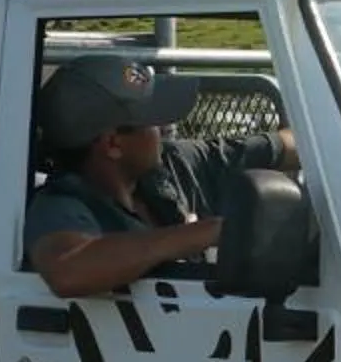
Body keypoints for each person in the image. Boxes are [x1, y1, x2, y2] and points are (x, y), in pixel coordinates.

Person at [24, 53, 297, 296]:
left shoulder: (174, 163)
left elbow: (288, 146)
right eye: (152, 121)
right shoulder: (58, 206)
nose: (165, 129)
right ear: (113, 144)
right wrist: (207, 233)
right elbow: (68, 271)